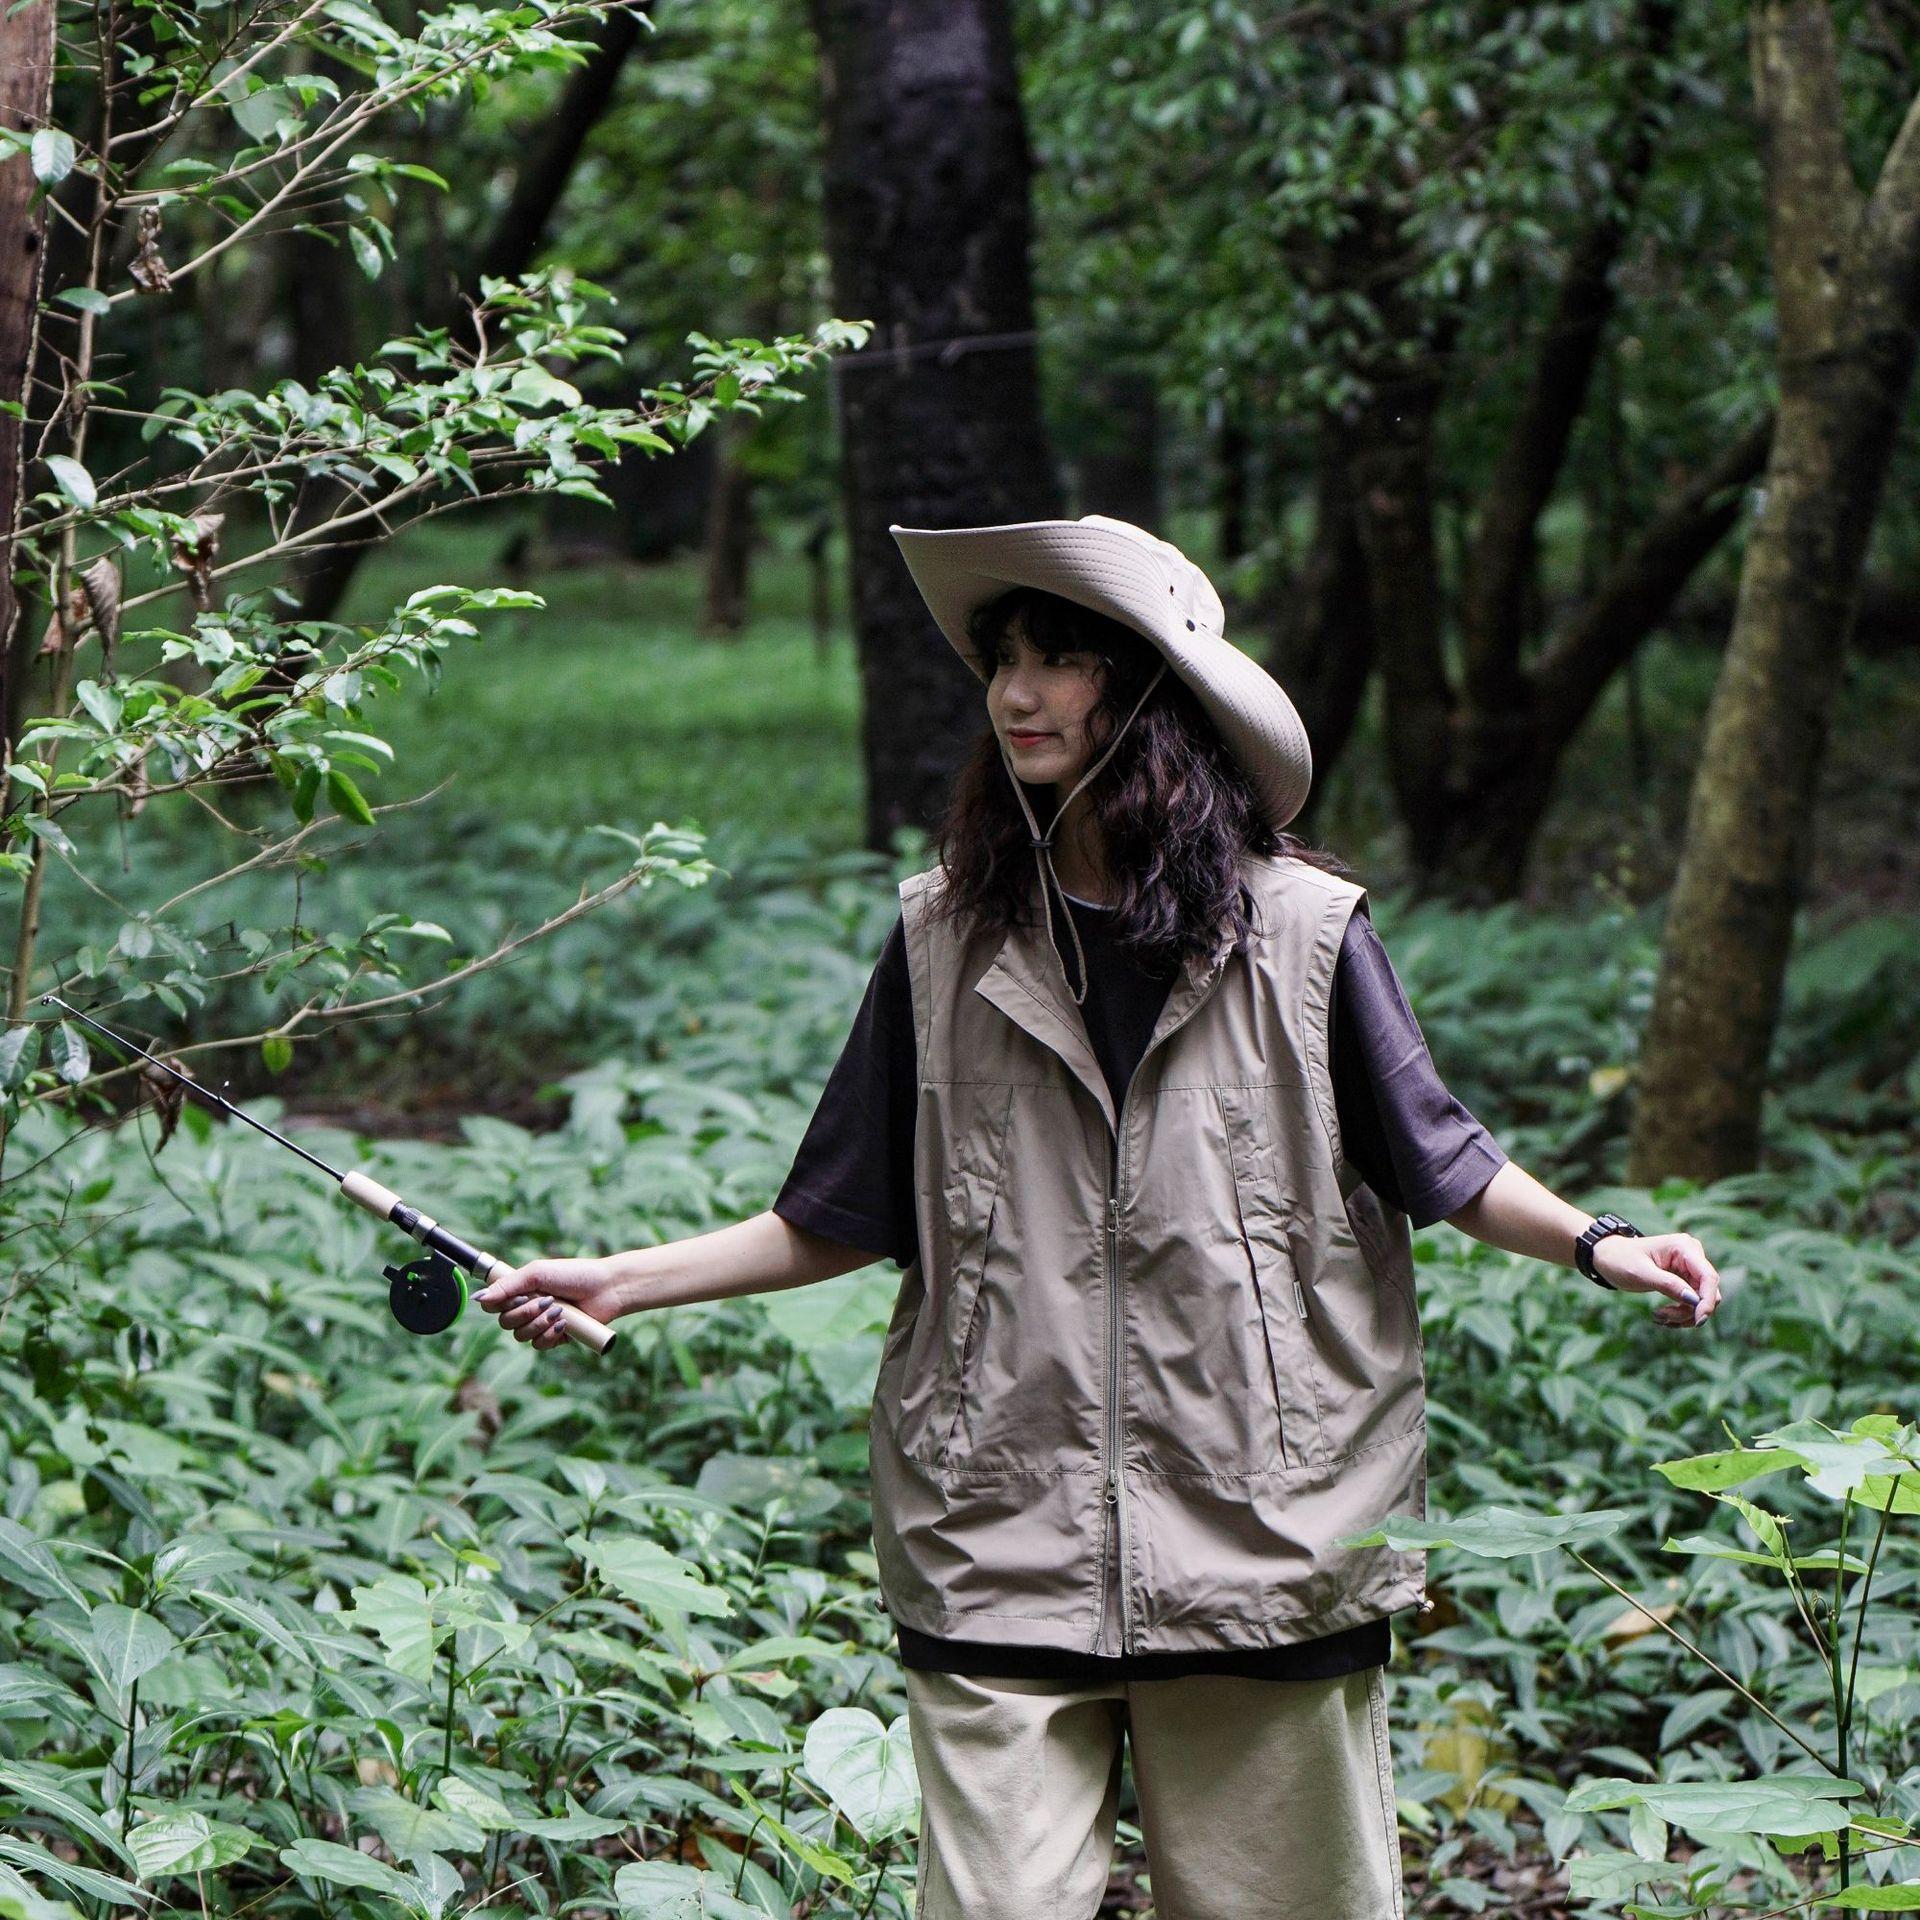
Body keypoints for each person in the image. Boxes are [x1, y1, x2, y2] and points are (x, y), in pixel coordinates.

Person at [475, 513, 1724, 1919]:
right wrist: (621, 1281)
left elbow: (1443, 1159)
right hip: (997, 1531)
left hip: (1263, 1541)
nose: (1015, 692)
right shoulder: (944, 938)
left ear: (1150, 690)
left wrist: (1604, 1245)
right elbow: (842, 1209)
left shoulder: (1304, 933)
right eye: (1003, 658)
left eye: (1058, 658)